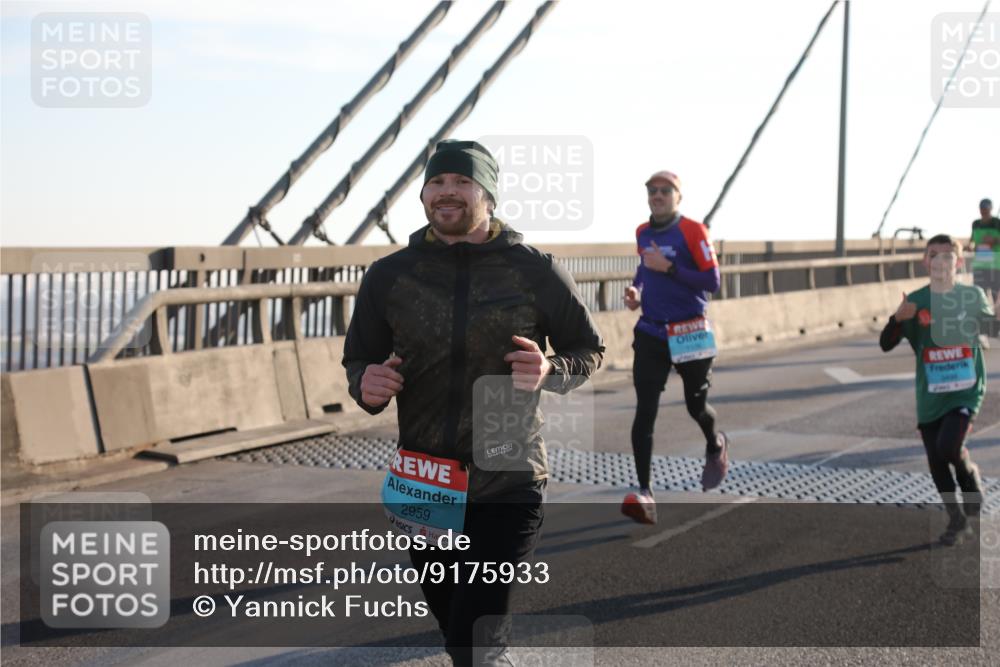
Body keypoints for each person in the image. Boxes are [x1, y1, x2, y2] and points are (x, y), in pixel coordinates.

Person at [342, 139, 604, 666]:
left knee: (473, 643)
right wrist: (363, 385)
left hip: (508, 476)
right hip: (424, 481)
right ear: (422, 194)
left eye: (462, 182)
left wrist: (553, 369)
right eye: (436, 183)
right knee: (460, 636)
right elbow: (360, 359)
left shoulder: (535, 270)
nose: (447, 193)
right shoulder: (390, 275)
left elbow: (589, 350)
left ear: (488, 195)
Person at [620, 170, 730, 526]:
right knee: (645, 410)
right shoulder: (642, 232)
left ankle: (715, 444)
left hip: (690, 332)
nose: (657, 195)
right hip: (651, 332)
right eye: (651, 190)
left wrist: (669, 268)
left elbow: (712, 281)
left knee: (696, 406)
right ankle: (645, 493)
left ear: (678, 197)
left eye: (665, 190)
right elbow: (643, 268)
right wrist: (637, 291)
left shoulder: (693, 231)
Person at [879, 234, 999, 546]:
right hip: (930, 394)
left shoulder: (972, 296)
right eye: (934, 255)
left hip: (965, 389)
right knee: (935, 459)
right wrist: (896, 319)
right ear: (925, 261)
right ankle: (957, 520)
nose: (940, 262)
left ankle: (969, 477)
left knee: (949, 447)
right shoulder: (916, 300)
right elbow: (885, 343)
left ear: (958, 263)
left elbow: (992, 331)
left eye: (948, 256)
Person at [970, 198, 1000, 301]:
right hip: (980, 265)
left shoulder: (997, 223)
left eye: (986, 208)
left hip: (995, 266)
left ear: (991, 209)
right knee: (980, 295)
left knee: (996, 295)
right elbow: (972, 241)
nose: (984, 211)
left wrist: (995, 240)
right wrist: (971, 246)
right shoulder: (975, 224)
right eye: (982, 208)